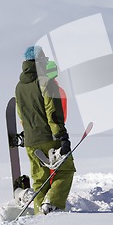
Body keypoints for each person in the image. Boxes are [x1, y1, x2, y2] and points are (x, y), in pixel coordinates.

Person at [15, 46, 76, 215]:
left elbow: (21, 114)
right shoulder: (46, 82)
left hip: (30, 141)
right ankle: (52, 204)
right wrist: (61, 136)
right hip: (50, 137)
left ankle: (39, 217)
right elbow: (53, 111)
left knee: (40, 180)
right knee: (65, 171)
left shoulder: (19, 87)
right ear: (39, 61)